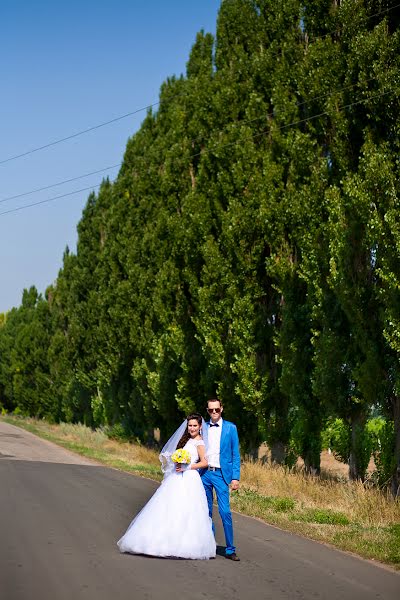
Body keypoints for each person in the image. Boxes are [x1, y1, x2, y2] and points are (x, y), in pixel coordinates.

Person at [117, 413, 216, 559]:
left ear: (200, 426)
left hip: (190, 477)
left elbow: (204, 462)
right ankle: (155, 541)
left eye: (195, 425)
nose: (192, 428)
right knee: (167, 506)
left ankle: (184, 545)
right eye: (190, 425)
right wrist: (176, 461)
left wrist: (187, 467)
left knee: (187, 509)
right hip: (176, 477)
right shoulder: (185, 440)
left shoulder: (200, 443)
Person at [201, 398, 241, 561]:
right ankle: (210, 546)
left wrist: (235, 477)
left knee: (225, 512)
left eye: (216, 409)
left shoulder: (231, 428)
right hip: (204, 474)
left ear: (221, 409)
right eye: (211, 410)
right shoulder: (203, 428)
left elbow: (235, 455)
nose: (214, 413)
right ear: (207, 411)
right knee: (206, 511)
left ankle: (230, 549)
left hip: (221, 474)